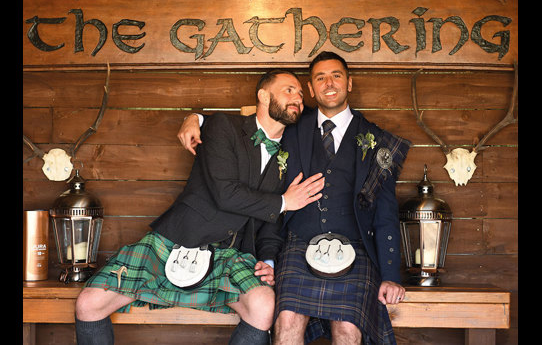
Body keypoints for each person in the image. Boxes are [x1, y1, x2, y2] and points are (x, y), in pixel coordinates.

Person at [74, 69, 326, 345]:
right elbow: (224, 193)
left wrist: (267, 261)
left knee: (264, 306)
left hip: (232, 252)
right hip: (177, 239)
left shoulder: (291, 153)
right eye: (289, 90)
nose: (298, 98)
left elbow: (272, 220)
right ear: (263, 96)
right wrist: (284, 201)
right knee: (88, 303)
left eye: (301, 94)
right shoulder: (222, 126)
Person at [178, 52, 411, 344]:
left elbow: (386, 212)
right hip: (297, 245)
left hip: (355, 249)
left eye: (336, 75)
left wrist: (391, 274)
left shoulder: (377, 139)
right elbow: (248, 128)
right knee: (286, 321)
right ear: (311, 89)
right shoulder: (292, 124)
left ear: (349, 83)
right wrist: (196, 119)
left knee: (348, 328)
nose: (329, 83)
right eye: (320, 78)